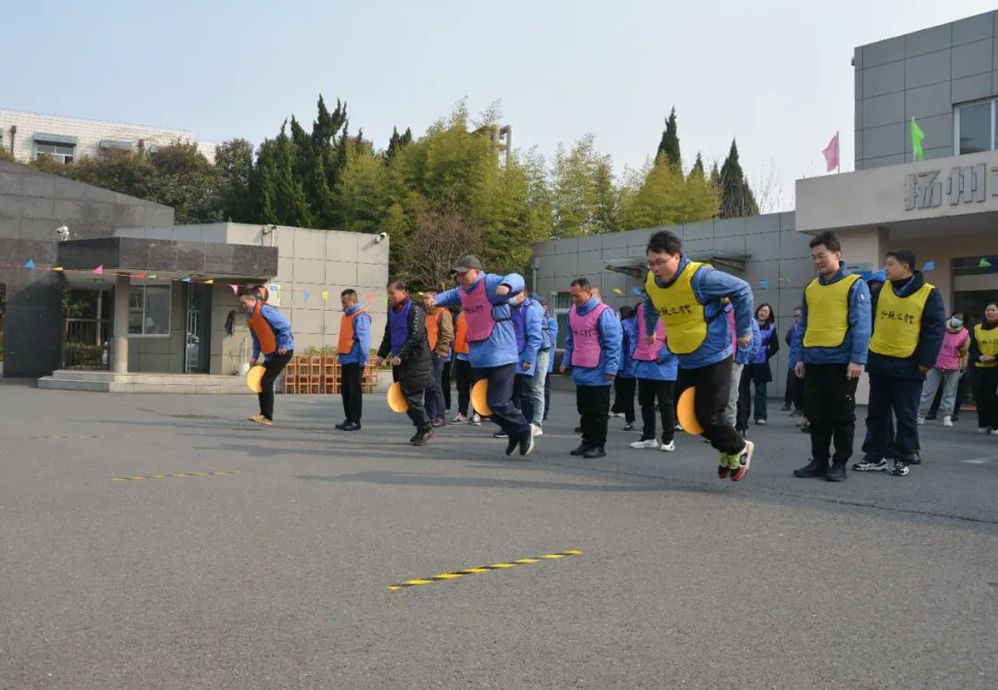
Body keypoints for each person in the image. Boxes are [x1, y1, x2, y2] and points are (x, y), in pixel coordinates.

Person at [642, 230, 756, 481]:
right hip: (685, 357)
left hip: (714, 355)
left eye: (660, 262)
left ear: (677, 256)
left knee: (709, 416)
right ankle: (731, 446)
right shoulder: (651, 281)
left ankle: (738, 448)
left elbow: (743, 290)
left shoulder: (701, 278)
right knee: (687, 418)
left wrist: (744, 330)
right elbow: (649, 302)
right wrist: (650, 329)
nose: (655, 268)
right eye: (650, 263)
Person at [428, 255, 535, 456]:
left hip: (501, 355)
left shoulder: (489, 283)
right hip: (479, 357)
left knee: (498, 402)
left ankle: (523, 429)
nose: (459, 278)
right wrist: (436, 299)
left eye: (463, 273)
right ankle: (514, 434)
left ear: (476, 272)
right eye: (457, 275)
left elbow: (517, 278)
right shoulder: (463, 290)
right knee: (484, 405)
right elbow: (450, 295)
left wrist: (507, 286)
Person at [854, 249, 945, 477]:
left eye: (890, 264)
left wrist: (926, 361)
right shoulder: (881, 289)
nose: (885, 268)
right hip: (880, 358)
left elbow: (934, 330)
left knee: (906, 414)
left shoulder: (929, 293)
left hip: (910, 363)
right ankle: (875, 455)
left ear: (905, 267)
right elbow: (869, 320)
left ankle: (904, 457)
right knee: (877, 413)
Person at [792, 231, 872, 482]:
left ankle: (839, 463)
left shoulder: (855, 284)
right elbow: (803, 326)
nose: (817, 261)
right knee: (816, 415)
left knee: (841, 416)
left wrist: (857, 359)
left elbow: (862, 325)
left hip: (841, 362)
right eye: (814, 257)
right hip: (813, 361)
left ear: (837, 254)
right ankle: (819, 461)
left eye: (822, 256)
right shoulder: (811, 288)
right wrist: (799, 357)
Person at [561, 278, 622, 459]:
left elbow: (613, 343)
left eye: (577, 296)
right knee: (584, 410)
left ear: (588, 293)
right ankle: (586, 442)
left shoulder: (604, 312)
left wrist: (611, 368)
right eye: (572, 296)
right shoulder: (573, 311)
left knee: (598, 412)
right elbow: (570, 340)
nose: (574, 299)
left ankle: (598, 445)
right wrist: (566, 361)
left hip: (599, 371)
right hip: (580, 369)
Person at [377, 279, 435, 446]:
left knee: (413, 398)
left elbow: (415, 336)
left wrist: (401, 354)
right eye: (388, 294)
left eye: (392, 293)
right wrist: (381, 354)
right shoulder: (392, 311)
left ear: (404, 292)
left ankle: (426, 428)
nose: (390, 297)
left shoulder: (415, 310)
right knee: (404, 398)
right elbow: (389, 334)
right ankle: (421, 428)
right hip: (399, 361)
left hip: (415, 361)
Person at [629, 300, 678, 452]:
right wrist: (634, 351)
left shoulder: (672, 305)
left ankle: (668, 440)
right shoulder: (641, 308)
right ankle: (649, 437)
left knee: (665, 404)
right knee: (646, 403)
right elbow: (634, 331)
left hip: (664, 365)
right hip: (644, 363)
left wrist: (664, 355)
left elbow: (679, 334)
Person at [241, 289, 295, 426]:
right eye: (241, 303)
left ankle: (267, 417)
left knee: (266, 381)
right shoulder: (250, 317)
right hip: (271, 353)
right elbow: (256, 339)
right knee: (260, 380)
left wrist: (283, 345)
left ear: (253, 300)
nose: (243, 306)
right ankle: (263, 414)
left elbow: (285, 325)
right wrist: (254, 356)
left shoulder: (265, 310)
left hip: (283, 351)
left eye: (244, 302)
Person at [499, 289, 543, 438]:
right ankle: (511, 426)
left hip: (522, 359)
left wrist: (528, 359)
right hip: (509, 358)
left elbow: (535, 338)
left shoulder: (530, 310)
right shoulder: (510, 309)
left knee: (525, 395)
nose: (512, 297)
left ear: (524, 294)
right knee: (508, 395)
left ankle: (528, 426)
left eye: (515, 293)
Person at [917, 312, 969, 427]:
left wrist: (963, 366)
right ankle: (921, 414)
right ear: (951, 317)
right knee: (928, 391)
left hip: (953, 366)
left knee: (950, 392)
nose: (957, 320)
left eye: (960, 319)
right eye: (956, 317)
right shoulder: (941, 327)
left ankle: (947, 416)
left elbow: (964, 352)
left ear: (963, 322)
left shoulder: (965, 333)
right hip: (936, 363)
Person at [335, 289, 371, 432]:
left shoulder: (360, 316)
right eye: (342, 302)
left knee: (354, 391)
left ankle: (355, 421)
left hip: (355, 360)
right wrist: (340, 356)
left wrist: (363, 360)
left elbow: (364, 341)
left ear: (354, 301)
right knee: (346, 391)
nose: (343, 305)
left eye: (345, 302)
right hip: (346, 359)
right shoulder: (346, 316)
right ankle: (349, 418)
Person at [740, 303, 779, 426]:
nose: (763, 313)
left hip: (761, 362)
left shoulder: (771, 328)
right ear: (757, 311)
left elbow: (775, 346)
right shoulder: (749, 324)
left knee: (761, 391)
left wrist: (766, 355)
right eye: (761, 310)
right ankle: (743, 416)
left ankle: (760, 416)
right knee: (743, 390)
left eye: (766, 311)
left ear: (769, 315)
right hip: (746, 361)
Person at [422, 290, 454, 428]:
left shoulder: (443, 313)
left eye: (427, 298)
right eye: (424, 298)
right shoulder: (426, 314)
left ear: (436, 299)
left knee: (435, 384)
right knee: (428, 384)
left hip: (437, 353)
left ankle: (440, 416)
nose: (425, 301)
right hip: (426, 353)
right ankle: (429, 415)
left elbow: (447, 334)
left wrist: (439, 352)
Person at [727, 304, 760, 434]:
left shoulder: (745, 315)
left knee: (734, 396)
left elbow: (754, 338)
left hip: (736, 359)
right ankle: (731, 428)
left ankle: (733, 428)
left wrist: (745, 356)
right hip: (722, 359)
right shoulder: (719, 311)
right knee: (726, 397)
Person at [970, 303, 998, 434]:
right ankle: (983, 423)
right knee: (980, 397)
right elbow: (972, 347)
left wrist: (993, 358)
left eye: (993, 310)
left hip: (995, 367)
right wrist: (979, 357)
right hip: (980, 367)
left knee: (994, 397)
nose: (990, 312)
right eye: (988, 310)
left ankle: (995, 425)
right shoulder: (977, 328)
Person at [450, 311, 480, 425]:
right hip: (461, 356)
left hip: (476, 357)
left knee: (476, 387)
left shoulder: (481, 313)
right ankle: (462, 413)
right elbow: (455, 332)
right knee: (462, 387)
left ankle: (477, 413)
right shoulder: (460, 315)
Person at [613, 306, 638, 431]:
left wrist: (619, 367)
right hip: (643, 363)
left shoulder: (623, 325)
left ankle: (630, 420)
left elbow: (619, 347)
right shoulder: (644, 325)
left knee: (627, 394)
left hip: (627, 365)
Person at [783, 306, 804, 415]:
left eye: (799, 316)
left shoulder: (807, 327)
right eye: (795, 316)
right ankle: (797, 407)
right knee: (793, 384)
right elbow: (788, 339)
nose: (797, 318)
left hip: (804, 361)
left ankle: (802, 409)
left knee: (802, 386)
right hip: (794, 361)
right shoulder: (793, 328)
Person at [543, 300, 558, 422]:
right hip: (536, 360)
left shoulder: (551, 321)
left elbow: (550, 338)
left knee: (544, 388)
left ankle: (544, 411)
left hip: (546, 359)